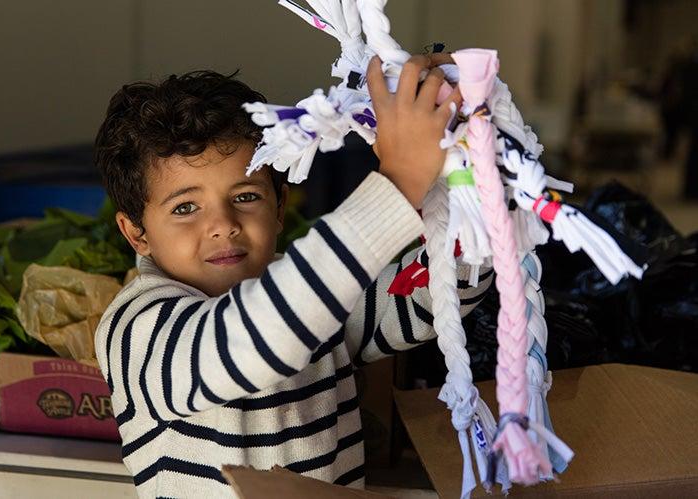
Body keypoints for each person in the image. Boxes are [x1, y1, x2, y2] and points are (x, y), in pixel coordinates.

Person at [94, 54, 491, 498]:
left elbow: (430, 299)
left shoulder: (316, 295)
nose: (222, 223)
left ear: (280, 208)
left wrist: (476, 199)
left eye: (245, 196)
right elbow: (250, 342)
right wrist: (398, 183)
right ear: (137, 233)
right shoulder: (136, 327)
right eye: (185, 208)